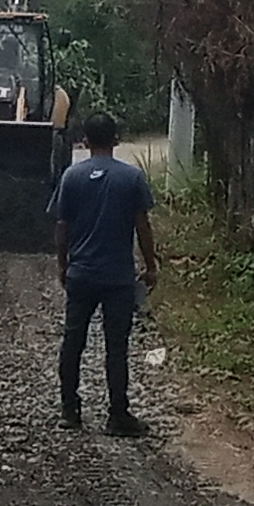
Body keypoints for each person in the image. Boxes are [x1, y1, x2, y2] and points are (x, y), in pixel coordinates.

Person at [47, 113, 157, 435]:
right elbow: (143, 226)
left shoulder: (71, 176)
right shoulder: (132, 177)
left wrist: (63, 265)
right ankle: (118, 414)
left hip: (81, 274)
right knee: (116, 346)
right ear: (116, 140)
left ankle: (70, 410)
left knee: (73, 341)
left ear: (84, 141)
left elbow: (62, 226)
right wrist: (150, 265)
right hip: (118, 278)